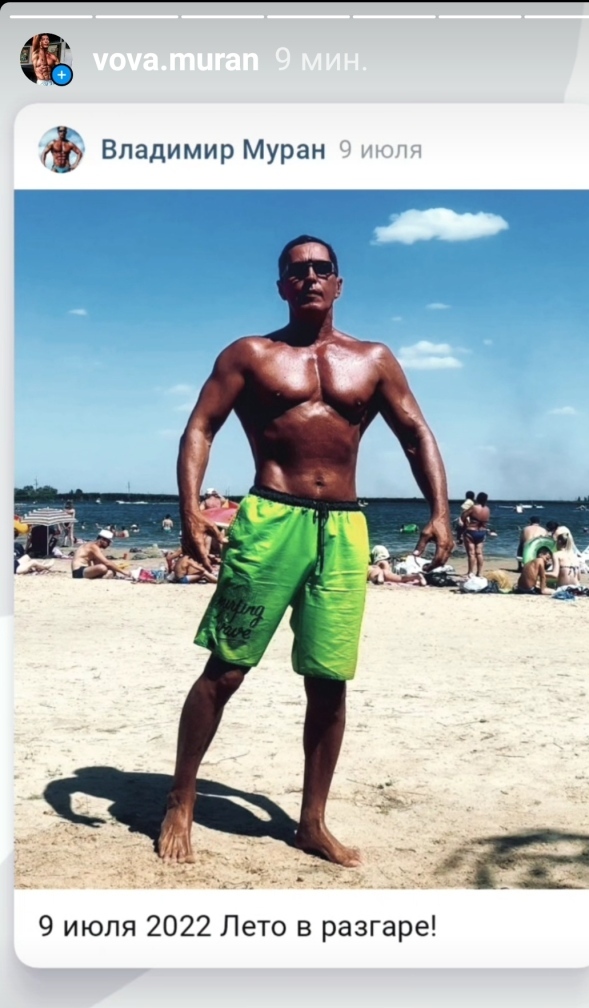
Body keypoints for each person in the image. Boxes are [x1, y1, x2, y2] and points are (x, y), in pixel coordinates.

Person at [158, 233, 453, 867]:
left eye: (322, 269)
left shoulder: (373, 359)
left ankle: (312, 823)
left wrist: (439, 510)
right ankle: (181, 798)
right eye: (297, 271)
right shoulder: (251, 354)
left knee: (328, 680)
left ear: (339, 284)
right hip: (271, 518)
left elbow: (415, 433)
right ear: (282, 287)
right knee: (227, 668)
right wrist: (190, 511)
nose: (310, 278)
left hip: (344, 528)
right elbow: (200, 427)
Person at [461, 492, 490, 578]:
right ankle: (479, 573)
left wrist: (466, 523)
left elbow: (463, 516)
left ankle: (470, 572)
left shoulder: (474, 508)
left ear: (477, 499)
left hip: (471, 531)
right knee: (479, 553)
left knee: (471, 553)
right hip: (482, 532)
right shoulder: (487, 509)